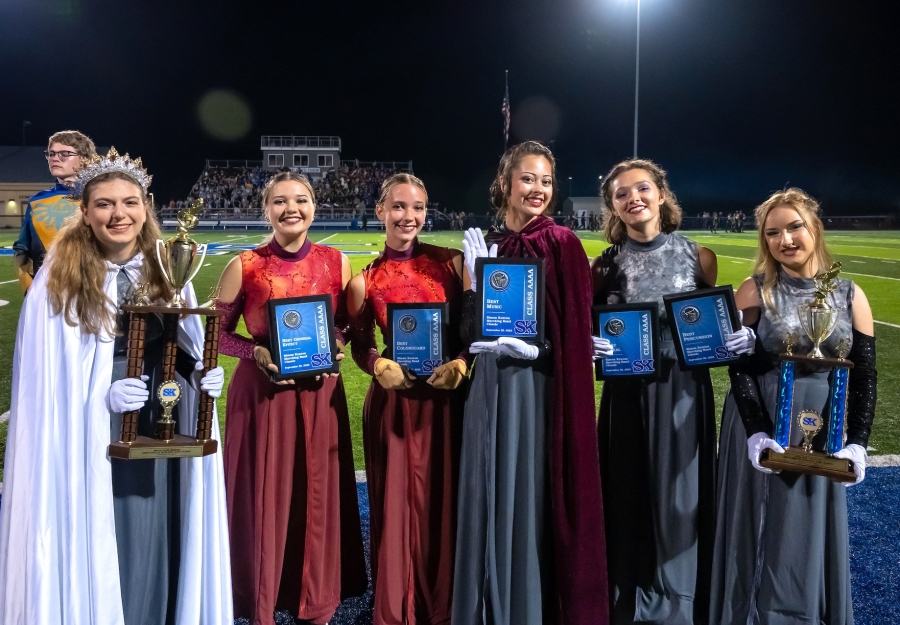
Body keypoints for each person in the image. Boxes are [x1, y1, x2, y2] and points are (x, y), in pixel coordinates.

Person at [0, 148, 232, 624]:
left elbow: (184, 339)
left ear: (145, 207)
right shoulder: (56, 279)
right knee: (114, 528)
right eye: (104, 204)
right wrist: (101, 395)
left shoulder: (168, 265)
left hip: (165, 419)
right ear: (84, 212)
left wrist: (202, 375)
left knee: (167, 525)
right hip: (96, 434)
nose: (118, 214)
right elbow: (51, 382)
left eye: (130, 202)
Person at [453, 141, 607, 625]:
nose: (538, 189)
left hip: (537, 388)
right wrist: (475, 287)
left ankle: (526, 604)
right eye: (527, 178)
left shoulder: (561, 241)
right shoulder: (490, 242)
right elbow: (467, 332)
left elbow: (575, 334)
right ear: (505, 183)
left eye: (545, 180)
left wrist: (536, 349)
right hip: (489, 384)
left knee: (528, 494)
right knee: (486, 487)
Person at [710, 188, 875, 624]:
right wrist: (756, 431)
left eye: (794, 226)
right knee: (758, 525)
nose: (785, 239)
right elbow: (740, 369)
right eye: (772, 233)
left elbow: (865, 376)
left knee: (805, 532)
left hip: (822, 426)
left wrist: (857, 442)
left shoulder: (850, 294)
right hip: (761, 420)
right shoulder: (754, 290)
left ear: (814, 227)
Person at [215, 172, 366, 625]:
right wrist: (255, 350)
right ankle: (261, 598)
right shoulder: (244, 264)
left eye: (300, 200)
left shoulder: (337, 262)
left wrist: (335, 343)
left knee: (317, 494)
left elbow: (347, 327)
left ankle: (314, 599)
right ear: (266, 210)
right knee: (266, 496)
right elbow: (215, 335)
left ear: (315, 206)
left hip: (320, 393)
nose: (291, 209)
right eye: (279, 202)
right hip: (263, 396)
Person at [592, 158, 720, 625]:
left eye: (642, 189)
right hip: (627, 392)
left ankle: (684, 594)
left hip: (685, 389)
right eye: (621, 194)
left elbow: (708, 322)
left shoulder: (698, 255)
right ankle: (631, 592)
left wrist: (729, 339)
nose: (633, 199)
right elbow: (590, 323)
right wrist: (590, 341)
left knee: (683, 490)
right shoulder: (604, 264)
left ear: (661, 195)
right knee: (628, 488)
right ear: (613, 206)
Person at [346, 174, 468, 625]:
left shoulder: (452, 264)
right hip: (394, 403)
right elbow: (361, 346)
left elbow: (472, 332)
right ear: (380, 212)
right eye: (398, 207)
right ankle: (397, 605)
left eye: (417, 207)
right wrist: (378, 365)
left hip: (445, 402)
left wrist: (460, 363)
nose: (408, 216)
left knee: (445, 500)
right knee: (396, 508)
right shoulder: (365, 280)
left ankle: (445, 602)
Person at [13, 130, 96, 292]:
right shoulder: (37, 201)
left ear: (85, 159)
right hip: (46, 294)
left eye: (64, 153)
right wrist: (29, 287)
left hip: (91, 292)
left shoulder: (99, 198)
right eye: (51, 154)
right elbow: (22, 249)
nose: (55, 158)